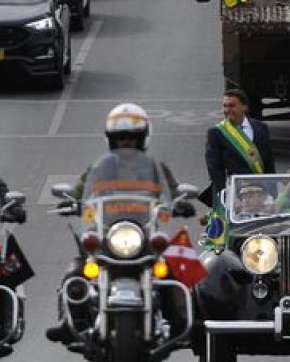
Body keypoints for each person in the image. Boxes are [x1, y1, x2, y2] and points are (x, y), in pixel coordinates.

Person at [45, 103, 190, 344]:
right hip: (106, 234)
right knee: (75, 270)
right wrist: (71, 201)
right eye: (121, 138)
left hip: (143, 235)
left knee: (169, 273)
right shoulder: (100, 167)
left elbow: (171, 192)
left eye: (131, 138)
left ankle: (180, 324)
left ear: (142, 139)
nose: (126, 143)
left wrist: (180, 202)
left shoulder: (156, 168)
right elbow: (82, 191)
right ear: (111, 140)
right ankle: (68, 322)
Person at [204, 88, 275, 205]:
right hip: (236, 193)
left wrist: (273, 192)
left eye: (232, 106)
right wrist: (226, 196)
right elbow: (215, 169)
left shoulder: (261, 127)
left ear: (244, 107)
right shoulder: (216, 132)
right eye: (225, 106)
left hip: (262, 191)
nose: (227, 110)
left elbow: (269, 162)